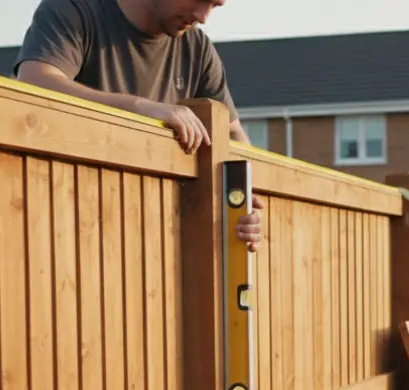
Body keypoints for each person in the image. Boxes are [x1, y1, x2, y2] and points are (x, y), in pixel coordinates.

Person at [14, 0, 262, 249]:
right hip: (66, 235)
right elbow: (37, 82)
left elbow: (232, 134)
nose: (204, 16)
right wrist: (140, 108)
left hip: (159, 246)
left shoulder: (197, 49)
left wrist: (246, 204)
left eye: (214, 6)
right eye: (199, 0)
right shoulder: (74, 9)